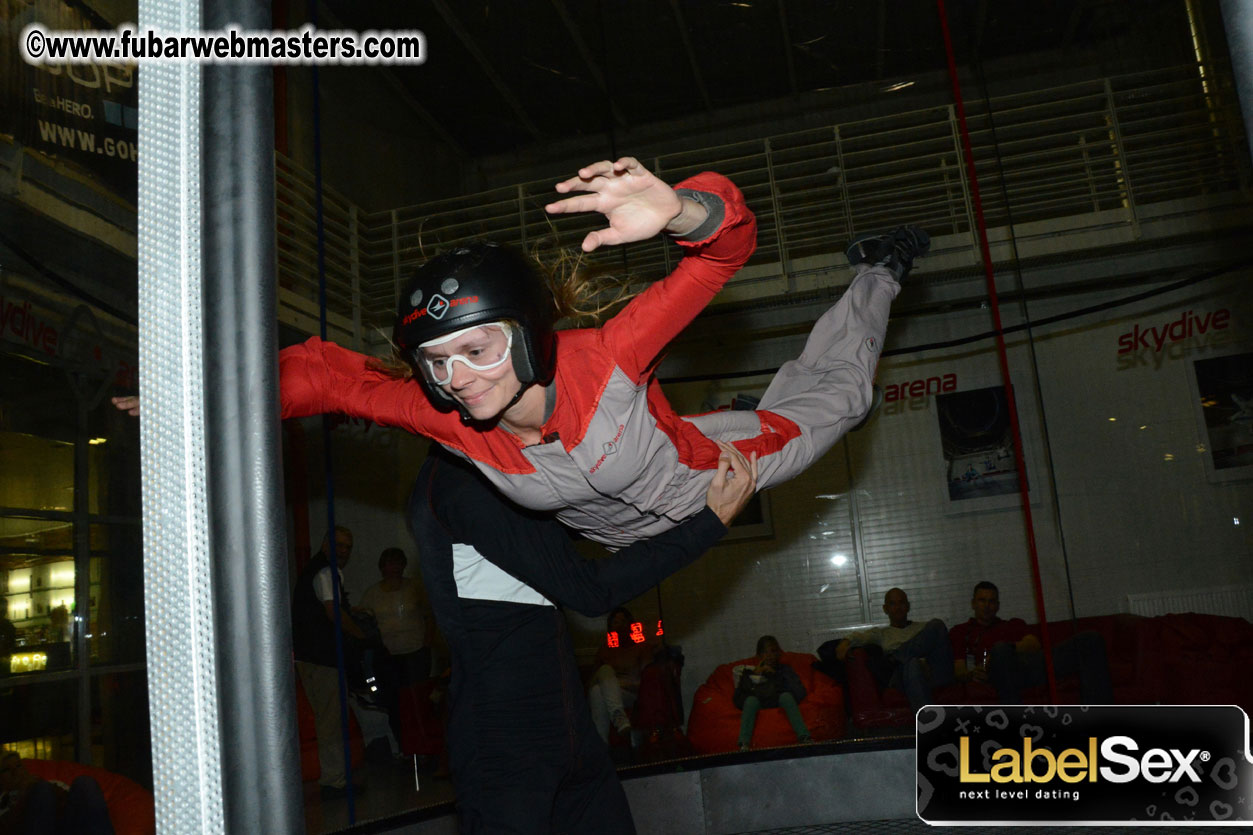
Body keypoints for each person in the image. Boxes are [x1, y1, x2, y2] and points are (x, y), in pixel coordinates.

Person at [268, 156, 929, 549]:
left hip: (704, 478)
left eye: (476, 348)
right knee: (681, 425)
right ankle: (731, 409)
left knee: (843, 398)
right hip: (622, 524)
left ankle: (879, 272)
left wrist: (681, 212)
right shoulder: (442, 412)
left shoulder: (609, 357)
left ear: (526, 331)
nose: (458, 379)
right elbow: (324, 380)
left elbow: (727, 250)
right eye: (436, 361)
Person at [411, 439, 757, 834]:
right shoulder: (462, 481)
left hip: (562, 725)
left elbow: (575, 548)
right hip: (505, 741)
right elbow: (588, 589)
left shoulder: (490, 473)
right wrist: (710, 522)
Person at [290, 525, 372, 797]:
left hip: (306, 655)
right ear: (326, 545)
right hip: (324, 657)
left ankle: (332, 778)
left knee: (326, 719)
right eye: (339, 545)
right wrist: (361, 635)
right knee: (332, 720)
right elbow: (332, 612)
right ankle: (334, 781)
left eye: (348, 546)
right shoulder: (327, 571)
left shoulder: (313, 570)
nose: (344, 551)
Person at [949, 580, 1113, 705]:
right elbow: (959, 670)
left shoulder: (1011, 624)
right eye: (982, 601)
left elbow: (1034, 644)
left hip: (1030, 666)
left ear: (997, 605)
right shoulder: (961, 631)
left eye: (991, 601)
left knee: (1091, 639)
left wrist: (1009, 648)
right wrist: (974, 674)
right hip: (997, 673)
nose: (987, 606)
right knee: (1000, 651)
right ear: (973, 604)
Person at [357, 547, 434, 746]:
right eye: (390, 563)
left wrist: (427, 645)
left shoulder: (415, 588)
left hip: (416, 652)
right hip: (389, 657)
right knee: (395, 704)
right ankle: (404, 747)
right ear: (382, 567)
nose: (394, 567)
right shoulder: (372, 593)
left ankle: (425, 747)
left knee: (418, 702)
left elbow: (429, 616)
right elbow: (364, 621)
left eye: (398, 562)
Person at [833, 588, 953, 712]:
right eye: (892, 603)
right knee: (912, 663)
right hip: (905, 676)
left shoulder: (923, 628)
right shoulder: (882, 633)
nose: (898, 607)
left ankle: (898, 657)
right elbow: (859, 636)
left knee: (937, 624)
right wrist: (845, 642)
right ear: (885, 609)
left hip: (932, 672)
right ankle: (927, 721)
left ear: (908, 606)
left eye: (901, 603)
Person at [587, 606, 657, 743]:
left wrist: (621, 683)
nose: (620, 626)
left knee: (598, 690)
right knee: (600, 681)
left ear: (630, 624)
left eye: (623, 622)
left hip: (630, 694)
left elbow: (646, 683)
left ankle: (602, 742)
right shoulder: (604, 651)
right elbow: (591, 681)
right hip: (609, 691)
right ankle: (617, 723)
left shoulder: (642, 648)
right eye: (616, 623)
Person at [0, 751, 114, 835]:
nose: (15, 772)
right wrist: (24, 794)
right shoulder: (2, 802)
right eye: (7, 769)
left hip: (67, 828)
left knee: (85, 783)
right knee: (42, 789)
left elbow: (80, 807)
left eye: (18, 766)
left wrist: (37, 785)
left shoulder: (50, 783)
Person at [733, 635, 811, 751]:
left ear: (778, 654)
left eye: (773, 651)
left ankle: (804, 737)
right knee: (750, 701)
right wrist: (755, 676)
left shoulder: (784, 670)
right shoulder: (749, 673)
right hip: (759, 701)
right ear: (759, 655)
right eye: (765, 652)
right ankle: (744, 744)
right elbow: (738, 700)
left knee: (786, 696)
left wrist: (775, 675)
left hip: (778, 699)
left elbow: (799, 693)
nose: (769, 655)